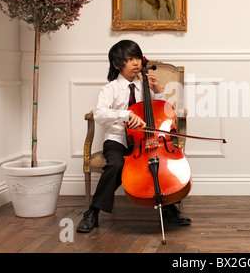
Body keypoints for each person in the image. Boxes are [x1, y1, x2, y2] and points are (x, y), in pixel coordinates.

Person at [77, 40, 191, 233]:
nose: (136, 63)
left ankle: (169, 207)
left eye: (137, 58)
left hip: (147, 140)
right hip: (118, 139)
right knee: (115, 165)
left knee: (159, 163)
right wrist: (126, 115)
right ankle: (92, 212)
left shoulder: (144, 86)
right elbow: (100, 114)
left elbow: (163, 113)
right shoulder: (110, 89)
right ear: (117, 64)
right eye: (129, 59)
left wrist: (158, 92)